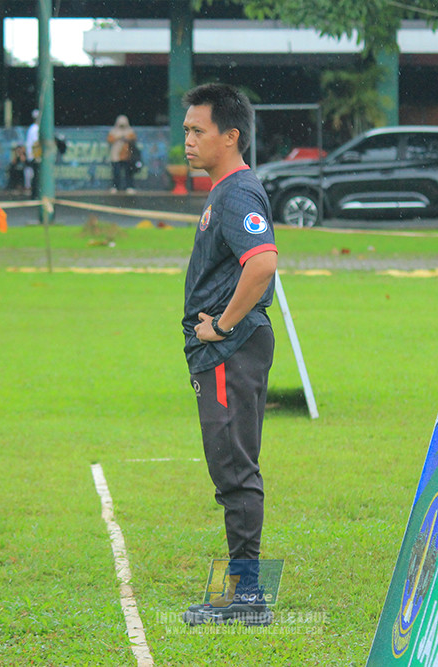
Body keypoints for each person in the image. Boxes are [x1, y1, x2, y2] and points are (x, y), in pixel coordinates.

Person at [179, 83, 278, 628]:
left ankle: (246, 598)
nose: (187, 140)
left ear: (231, 136)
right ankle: (242, 593)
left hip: (231, 351)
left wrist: (221, 325)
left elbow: (262, 263)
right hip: (226, 352)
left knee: (234, 471)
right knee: (232, 468)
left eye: (198, 130)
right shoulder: (225, 190)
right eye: (187, 129)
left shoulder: (237, 192)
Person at [107, 115, 138, 193]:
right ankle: (116, 187)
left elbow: (133, 138)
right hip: (115, 155)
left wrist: (126, 138)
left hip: (127, 155)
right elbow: (110, 139)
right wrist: (118, 137)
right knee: (116, 172)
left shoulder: (129, 130)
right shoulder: (114, 131)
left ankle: (129, 186)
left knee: (128, 172)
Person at [24, 109, 40, 197]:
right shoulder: (35, 129)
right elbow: (35, 143)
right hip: (34, 156)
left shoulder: (32, 128)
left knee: (33, 175)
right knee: (35, 176)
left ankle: (34, 193)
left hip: (31, 155)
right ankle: (34, 194)